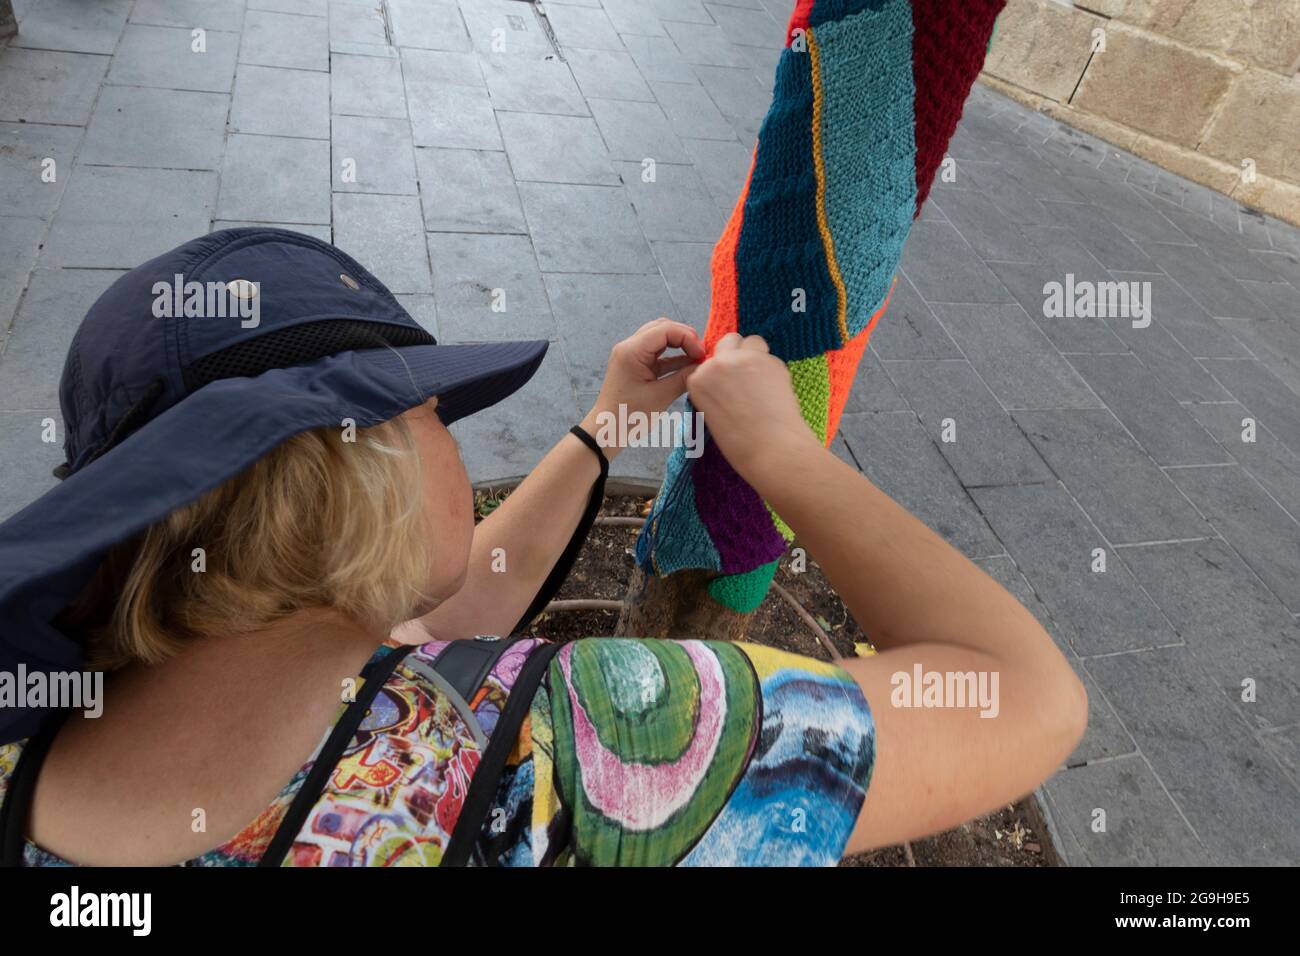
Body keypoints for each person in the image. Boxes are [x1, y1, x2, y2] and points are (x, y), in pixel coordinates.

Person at [0, 228, 1086, 867]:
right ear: (364, 466)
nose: (449, 429)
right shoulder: (575, 750)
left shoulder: (40, 725)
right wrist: (783, 455)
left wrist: (602, 428)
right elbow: (1022, 694)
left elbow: (431, 634)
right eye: (428, 409)